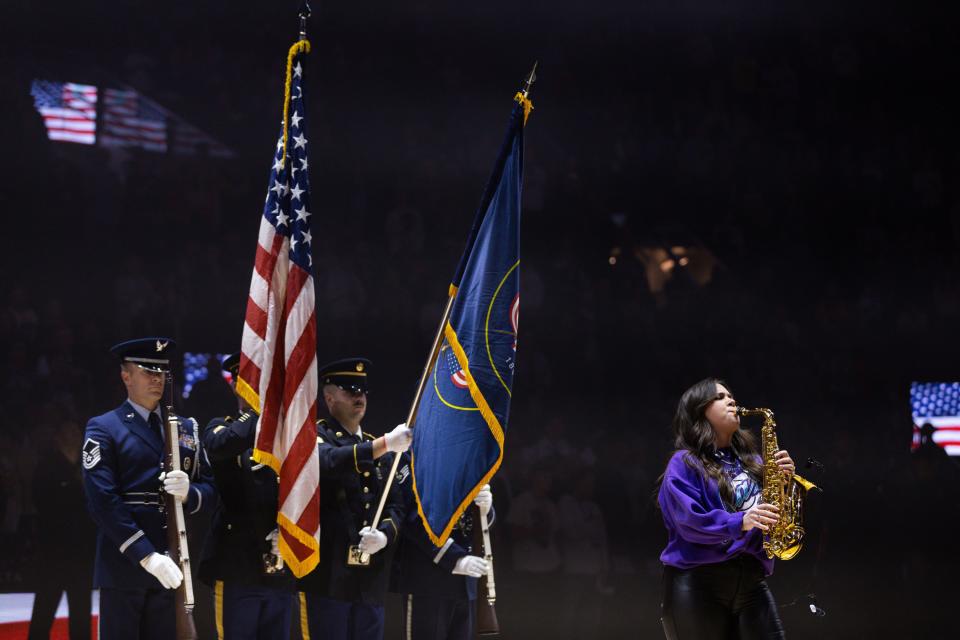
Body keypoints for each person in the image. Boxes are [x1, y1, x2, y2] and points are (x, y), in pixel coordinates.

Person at [82, 337, 216, 640]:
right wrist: (146, 555)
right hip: (125, 564)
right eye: (147, 371)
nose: (157, 379)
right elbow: (102, 501)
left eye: (161, 372)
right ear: (126, 376)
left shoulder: (184, 428)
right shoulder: (105, 427)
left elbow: (210, 491)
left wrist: (190, 493)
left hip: (174, 560)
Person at [657, 378, 795, 640]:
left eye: (731, 395)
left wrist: (785, 485)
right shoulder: (684, 463)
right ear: (700, 410)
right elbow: (690, 521)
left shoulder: (754, 462)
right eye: (720, 397)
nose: (731, 400)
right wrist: (740, 521)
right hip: (699, 582)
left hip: (751, 580)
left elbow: (774, 522)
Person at [298, 358, 412, 640]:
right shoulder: (315, 436)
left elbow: (397, 505)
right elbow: (328, 462)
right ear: (329, 397)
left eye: (362, 391)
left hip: (370, 577)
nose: (359, 397)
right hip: (328, 575)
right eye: (350, 390)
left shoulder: (378, 447)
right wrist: (384, 444)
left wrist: (384, 535)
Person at [199, 352, 296, 640]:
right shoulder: (220, 427)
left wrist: (290, 532)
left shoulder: (289, 435)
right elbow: (220, 446)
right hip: (237, 566)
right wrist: (260, 411)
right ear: (236, 386)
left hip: (280, 567)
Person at [390, 454, 494, 640]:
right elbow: (413, 518)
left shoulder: (466, 456)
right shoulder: (410, 456)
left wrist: (485, 510)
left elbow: (472, 521)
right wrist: (454, 558)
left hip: (466, 579)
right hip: (428, 577)